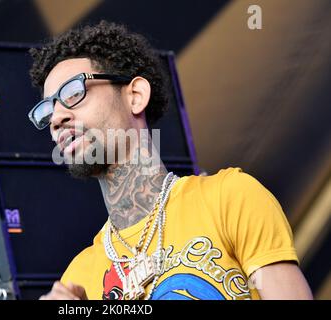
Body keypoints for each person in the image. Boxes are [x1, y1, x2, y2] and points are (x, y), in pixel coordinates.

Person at [28, 20, 312, 300]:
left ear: (136, 96)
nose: (56, 118)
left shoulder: (230, 198)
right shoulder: (78, 279)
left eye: (73, 93)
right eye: (46, 110)